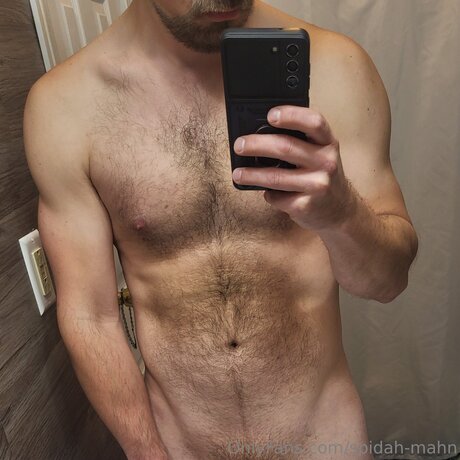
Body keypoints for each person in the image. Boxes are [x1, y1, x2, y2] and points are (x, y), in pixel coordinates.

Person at [23, 0, 418, 459]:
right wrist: (147, 452)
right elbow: (91, 317)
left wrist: (342, 213)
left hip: (324, 440)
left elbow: (388, 282)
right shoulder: (65, 106)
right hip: (179, 447)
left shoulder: (338, 68)